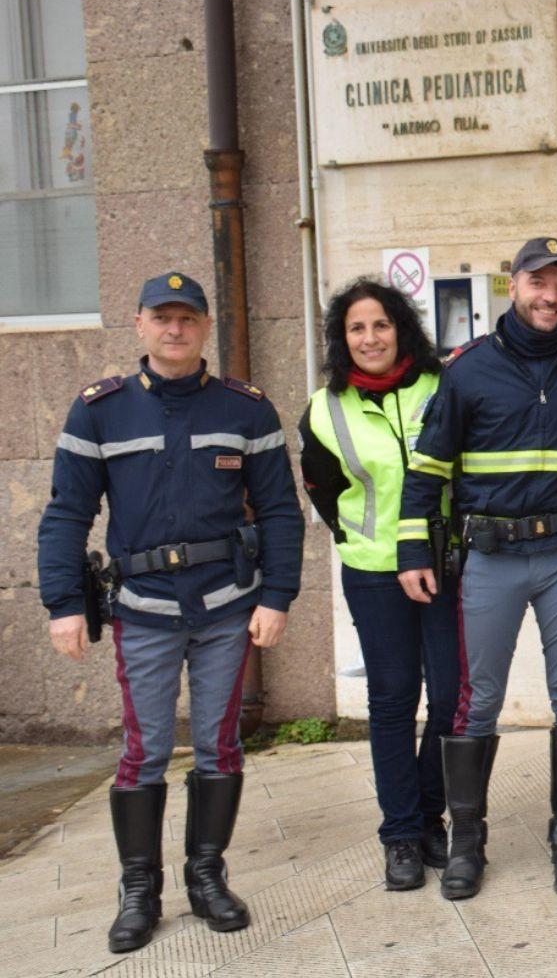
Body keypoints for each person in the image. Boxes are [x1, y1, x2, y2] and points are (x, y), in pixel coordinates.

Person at [37, 272, 303, 953]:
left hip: (224, 608)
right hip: (143, 609)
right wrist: (64, 603)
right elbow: (68, 512)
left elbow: (279, 511)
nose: (175, 329)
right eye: (163, 317)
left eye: (188, 318)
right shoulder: (100, 411)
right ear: (139, 324)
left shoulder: (247, 410)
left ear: (205, 327)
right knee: (143, 751)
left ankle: (207, 877)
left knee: (219, 745)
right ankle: (139, 888)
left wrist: (278, 596)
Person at [397, 237, 557, 901]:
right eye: (538, 283)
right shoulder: (466, 370)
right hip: (489, 559)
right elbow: (427, 468)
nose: (550, 297)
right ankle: (468, 846)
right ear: (512, 284)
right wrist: (410, 550)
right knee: (475, 701)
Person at [299, 278, 457, 891]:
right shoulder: (324, 407)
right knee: (393, 700)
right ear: (343, 339)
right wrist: (359, 540)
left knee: (451, 698)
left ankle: (430, 816)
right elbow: (320, 486)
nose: (370, 338)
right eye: (357, 328)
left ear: (402, 329)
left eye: (381, 325)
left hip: (445, 564)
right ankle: (401, 835)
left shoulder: (442, 387)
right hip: (372, 572)